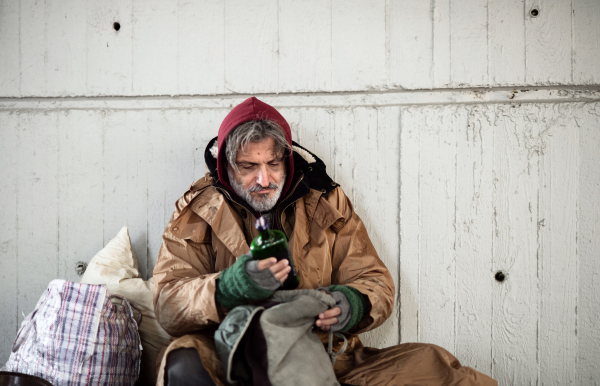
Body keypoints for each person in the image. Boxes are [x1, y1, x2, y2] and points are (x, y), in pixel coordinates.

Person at [152, 97, 496, 386]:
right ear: (227, 166)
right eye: (248, 167)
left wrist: (352, 304)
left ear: (286, 158)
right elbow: (167, 302)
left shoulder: (325, 200)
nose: (264, 179)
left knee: (435, 366)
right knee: (184, 362)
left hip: (321, 352)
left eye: (273, 163)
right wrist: (228, 286)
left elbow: (375, 281)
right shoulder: (197, 209)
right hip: (233, 353)